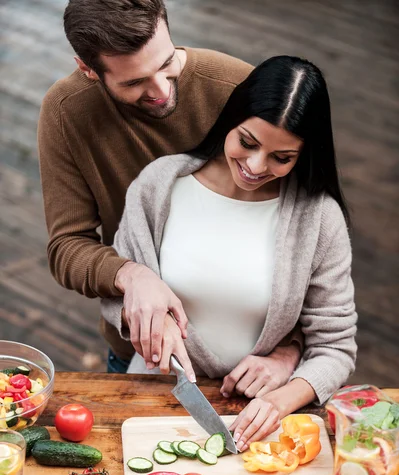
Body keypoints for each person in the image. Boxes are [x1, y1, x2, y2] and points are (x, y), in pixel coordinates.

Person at [38, 0, 302, 388]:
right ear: (87, 69)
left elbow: (309, 235)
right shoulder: (66, 112)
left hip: (260, 364)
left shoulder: (239, 87)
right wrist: (130, 275)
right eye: (133, 82)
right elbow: (67, 246)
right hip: (146, 354)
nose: (160, 90)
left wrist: (291, 349)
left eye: (166, 64)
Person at [101, 56, 358, 450]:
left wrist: (282, 396)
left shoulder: (320, 219)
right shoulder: (160, 185)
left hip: (260, 422)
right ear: (230, 120)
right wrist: (145, 320)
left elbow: (335, 347)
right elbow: (114, 294)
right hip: (151, 401)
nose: (256, 166)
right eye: (247, 142)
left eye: (281, 157)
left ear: (304, 154)